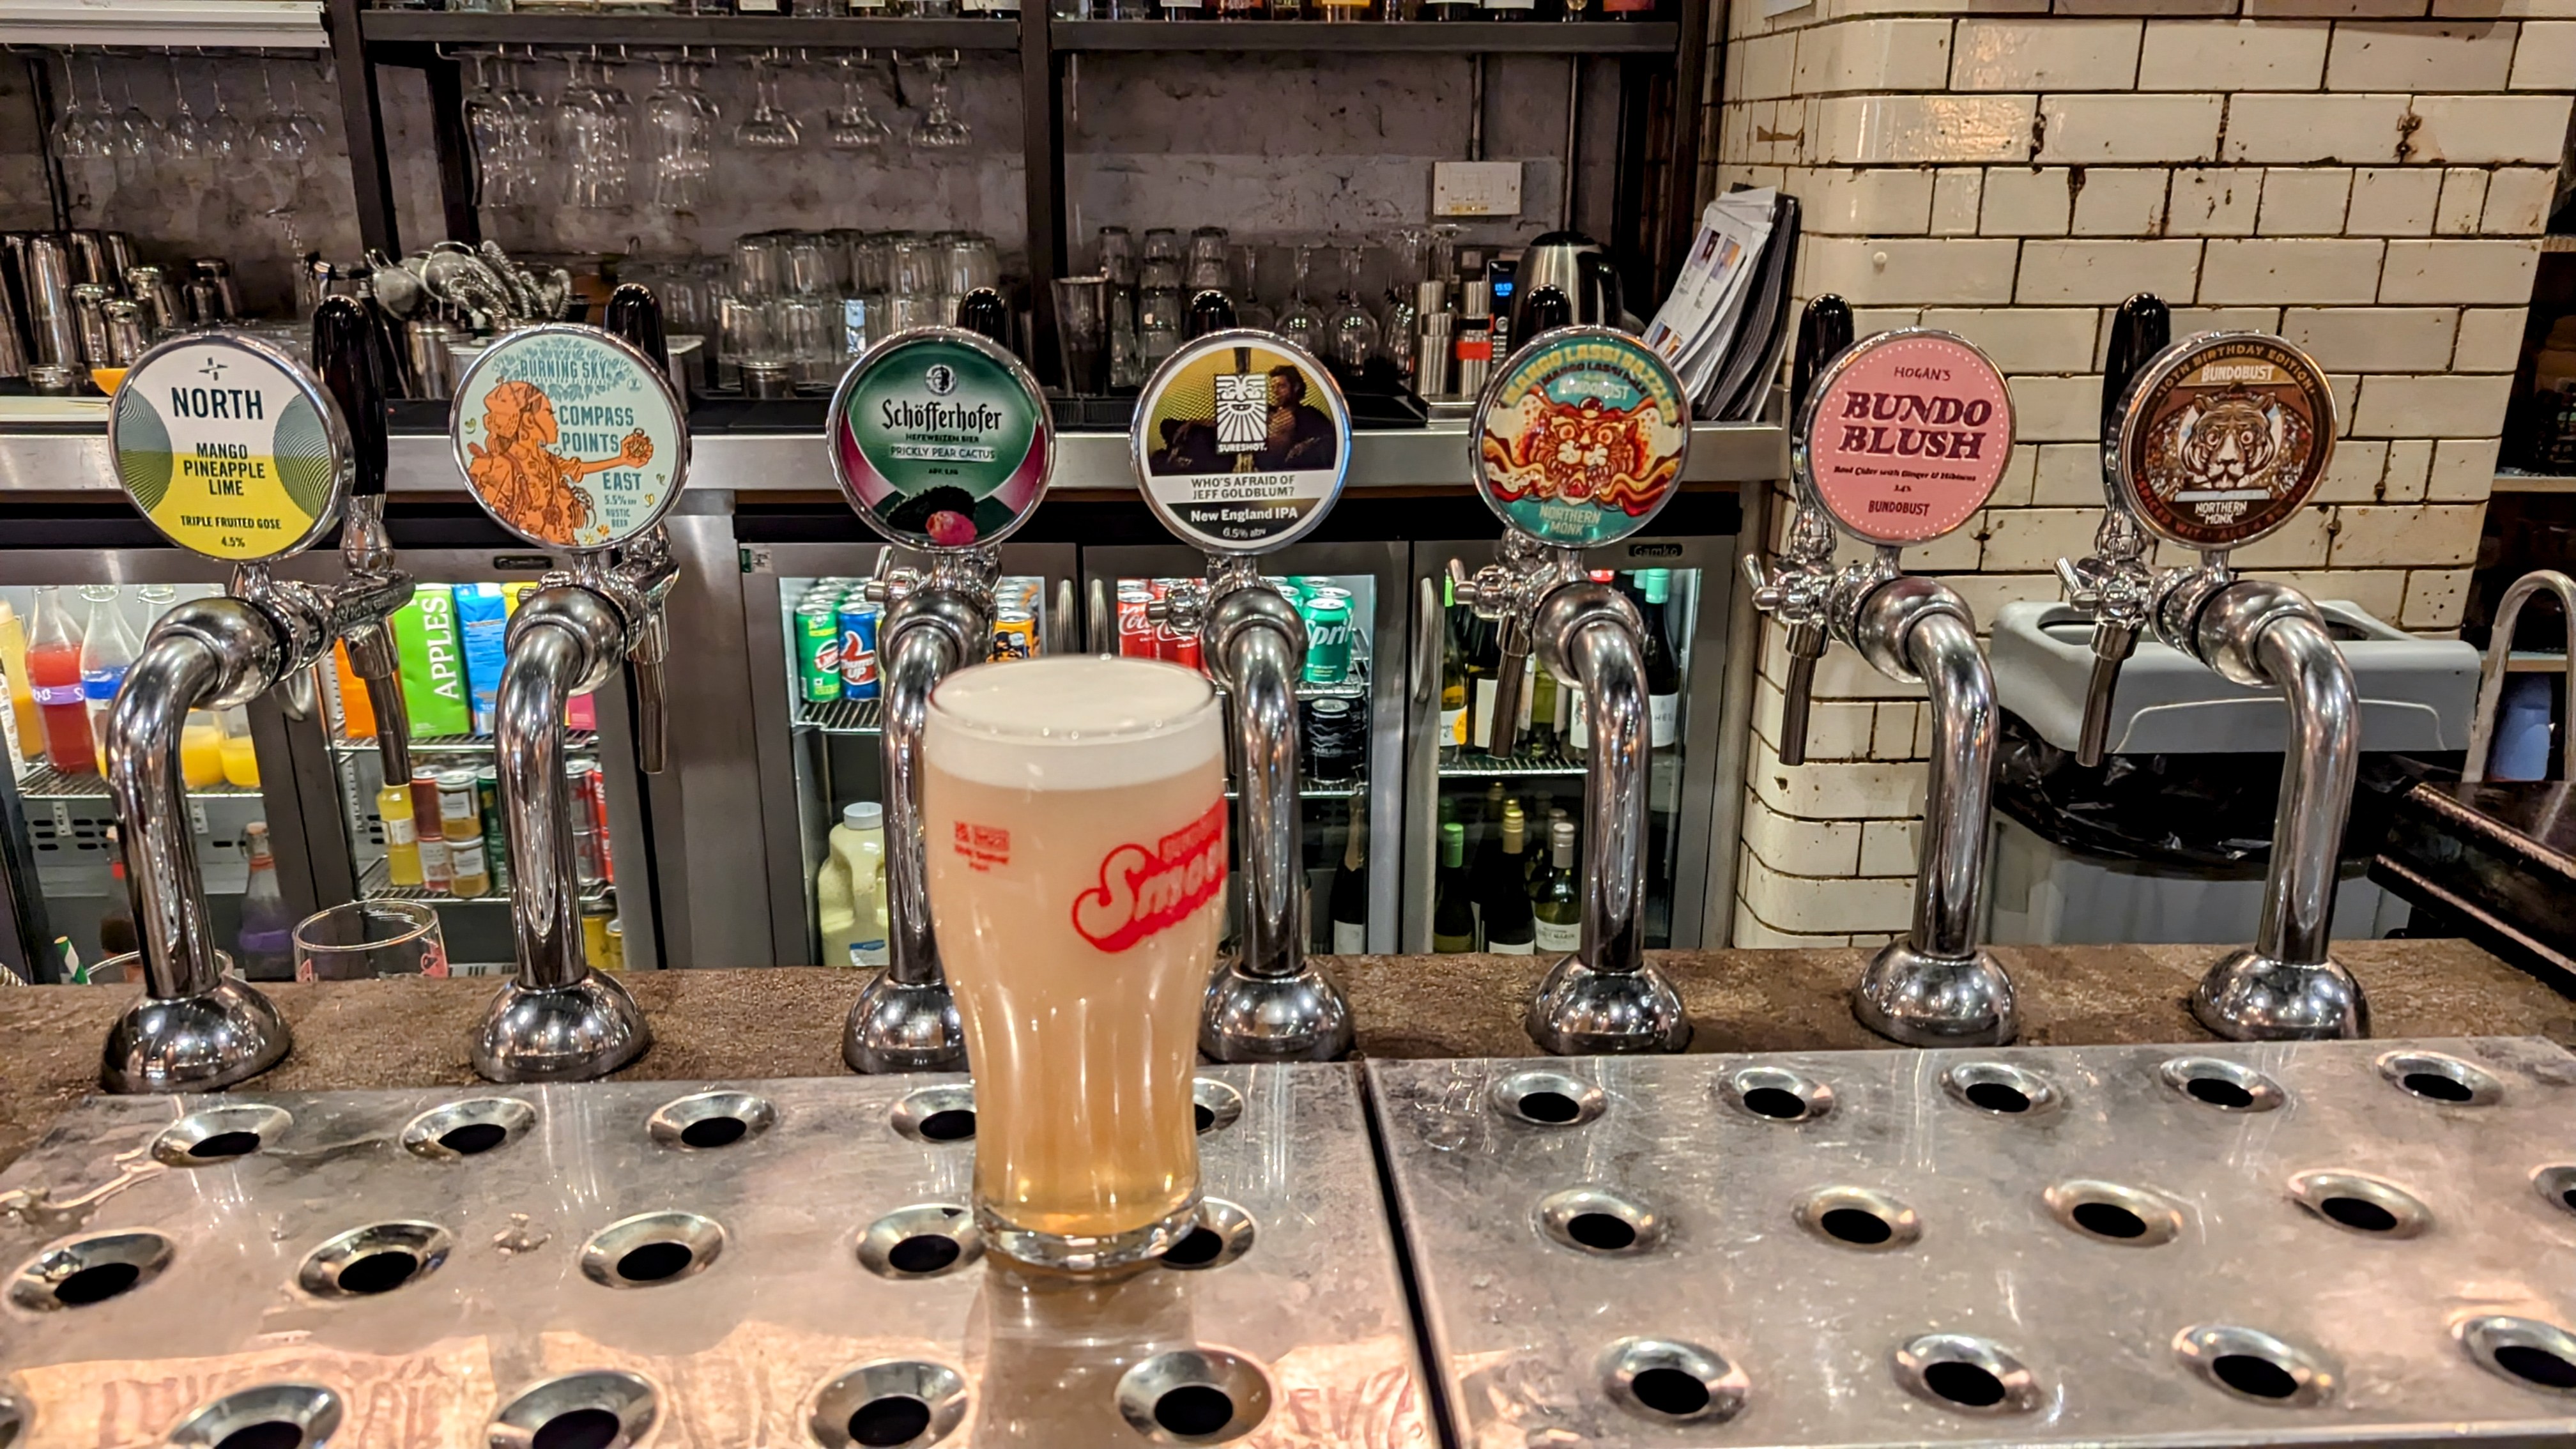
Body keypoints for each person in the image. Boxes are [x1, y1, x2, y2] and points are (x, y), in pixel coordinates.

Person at [464, 380, 653, 544]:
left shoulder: (546, 459)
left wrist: (622, 460)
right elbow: (498, 525)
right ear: (529, 421)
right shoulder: (502, 467)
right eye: (549, 413)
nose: (556, 422)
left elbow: (578, 468)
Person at [1255, 365, 1337, 473]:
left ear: (1296, 387)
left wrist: (1304, 447)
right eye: (1273, 387)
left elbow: (1329, 440)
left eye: (1281, 386)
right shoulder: (1264, 413)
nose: (1275, 391)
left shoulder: (1309, 415)